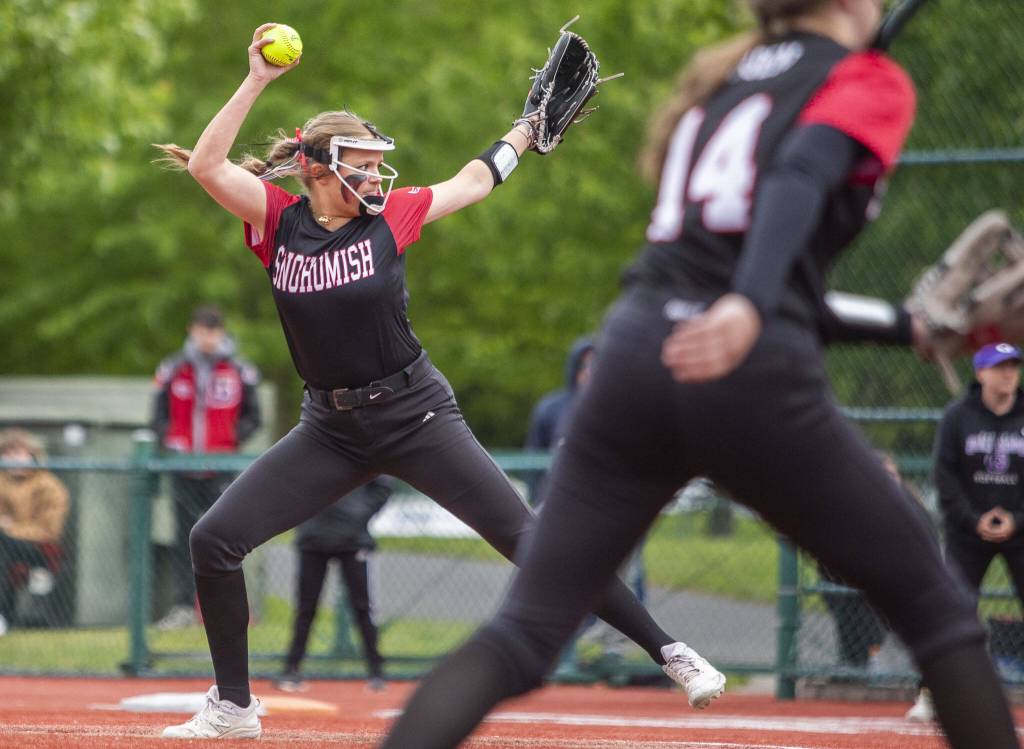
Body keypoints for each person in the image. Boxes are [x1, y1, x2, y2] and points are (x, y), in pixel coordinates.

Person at [380, 1, 1020, 747]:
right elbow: (799, 177)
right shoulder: (864, 79)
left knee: (522, 634)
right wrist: (748, 303)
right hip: (746, 372)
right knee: (939, 612)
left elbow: (768, 278)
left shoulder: (722, 84)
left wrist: (901, 326)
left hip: (632, 359)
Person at [153, 23, 723, 740]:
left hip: (415, 411)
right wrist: (257, 81)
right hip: (330, 428)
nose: (375, 175)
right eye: (360, 164)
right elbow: (207, 166)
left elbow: (473, 179)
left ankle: (671, 650)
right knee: (215, 539)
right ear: (321, 169)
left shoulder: (391, 216)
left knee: (529, 538)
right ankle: (233, 707)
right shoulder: (280, 221)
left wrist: (524, 132)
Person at [151, 304, 262, 631]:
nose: (207, 338)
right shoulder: (172, 368)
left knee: (227, 539)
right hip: (184, 469)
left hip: (221, 469)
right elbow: (157, 415)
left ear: (222, 333)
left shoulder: (241, 370)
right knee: (185, 539)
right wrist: (168, 439)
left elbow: (253, 417)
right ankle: (184, 606)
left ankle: (230, 609)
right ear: (192, 331)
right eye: (202, 330)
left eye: (213, 331)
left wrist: (231, 439)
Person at [275, 477, 392, 693]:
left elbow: (383, 484)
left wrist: (358, 513)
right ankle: (291, 670)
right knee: (305, 608)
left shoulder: (363, 447)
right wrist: (304, 515)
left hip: (353, 540)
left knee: (362, 607)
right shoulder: (308, 448)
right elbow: (289, 481)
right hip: (313, 539)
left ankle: (377, 672)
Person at [0, 429, 70, 636]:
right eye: (8, 454)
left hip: (40, 549)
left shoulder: (49, 485)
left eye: (19, 453)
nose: (14, 460)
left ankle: (3, 615)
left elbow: (49, 529)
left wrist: (10, 528)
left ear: (32, 455)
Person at [524, 336, 594, 507]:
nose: (590, 372)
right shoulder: (551, 408)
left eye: (597, 365)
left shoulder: (619, 407)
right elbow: (534, 456)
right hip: (556, 499)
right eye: (584, 366)